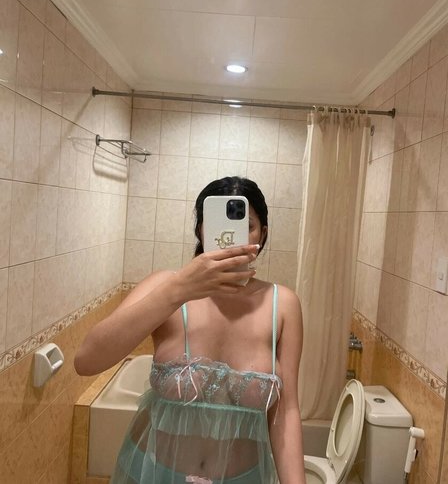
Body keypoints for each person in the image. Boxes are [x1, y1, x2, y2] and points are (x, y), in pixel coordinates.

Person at [75, 176, 305, 484]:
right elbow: (87, 361)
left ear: (262, 234)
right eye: (217, 224)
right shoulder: (166, 287)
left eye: (247, 226)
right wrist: (178, 290)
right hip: (152, 473)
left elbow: (286, 412)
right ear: (200, 230)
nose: (233, 239)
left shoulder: (283, 304)